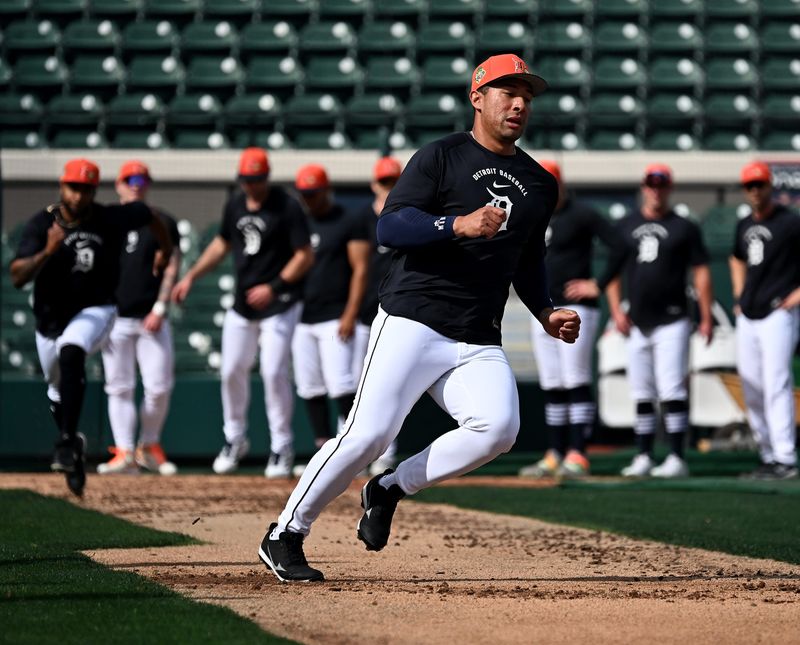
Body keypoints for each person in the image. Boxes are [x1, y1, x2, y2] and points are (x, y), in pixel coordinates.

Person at [257, 53, 580, 582]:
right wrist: (456, 225)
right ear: (478, 98)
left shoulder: (539, 183)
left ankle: (389, 487)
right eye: (507, 92)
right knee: (368, 434)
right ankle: (285, 533)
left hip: (478, 332)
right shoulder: (441, 156)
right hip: (414, 316)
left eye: (526, 95)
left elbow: (527, 260)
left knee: (498, 428)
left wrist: (545, 310)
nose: (519, 103)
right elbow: (390, 227)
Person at [9, 158, 173, 496]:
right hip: (49, 319)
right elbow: (17, 276)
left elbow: (149, 216)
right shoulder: (42, 223)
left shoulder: (108, 217)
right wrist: (48, 250)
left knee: (72, 351)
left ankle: (66, 443)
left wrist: (165, 250)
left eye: (86, 189)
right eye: (73, 187)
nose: (78, 195)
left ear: (94, 191)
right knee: (56, 389)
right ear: (62, 186)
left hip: (97, 309)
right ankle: (74, 447)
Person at [172, 148, 313, 477]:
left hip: (280, 302)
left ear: (267, 177)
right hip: (243, 303)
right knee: (232, 369)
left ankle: (281, 445)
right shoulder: (235, 204)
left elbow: (304, 255)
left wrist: (274, 287)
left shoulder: (286, 205)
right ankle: (234, 438)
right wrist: (191, 276)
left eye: (257, 179)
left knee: (273, 372)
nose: (252, 185)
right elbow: (222, 244)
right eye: (247, 179)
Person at [566, 164, 714, 479]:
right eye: (651, 184)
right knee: (642, 391)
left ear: (669, 188)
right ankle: (644, 455)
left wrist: (705, 316)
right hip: (636, 320)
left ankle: (676, 457)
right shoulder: (626, 225)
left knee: (672, 388)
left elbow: (701, 271)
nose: (656, 190)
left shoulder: (684, 227)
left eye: (661, 185)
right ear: (644, 187)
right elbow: (615, 269)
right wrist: (616, 311)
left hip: (673, 318)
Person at [518, 160, 615, 479]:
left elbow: (621, 244)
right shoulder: (535, 215)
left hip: (576, 307)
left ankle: (578, 453)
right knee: (553, 382)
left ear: (561, 184)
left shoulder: (581, 213)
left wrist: (597, 284)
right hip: (544, 309)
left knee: (575, 378)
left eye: (552, 182)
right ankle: (556, 453)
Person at [98, 160, 181, 475]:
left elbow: (172, 263)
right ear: (118, 185)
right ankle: (124, 451)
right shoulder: (106, 221)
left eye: (142, 180)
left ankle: (149, 445)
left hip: (150, 317)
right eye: (130, 179)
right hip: (115, 316)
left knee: (158, 387)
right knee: (119, 387)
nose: (136, 185)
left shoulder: (161, 220)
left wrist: (160, 306)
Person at [291, 164, 370, 467]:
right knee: (309, 386)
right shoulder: (299, 221)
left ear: (326, 190)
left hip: (335, 314)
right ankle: (322, 452)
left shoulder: (347, 220)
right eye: (304, 193)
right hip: (302, 315)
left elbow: (360, 269)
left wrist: (350, 312)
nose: (308, 198)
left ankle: (354, 451)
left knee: (341, 384)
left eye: (313, 193)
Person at [731, 161, 800, 480]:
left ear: (770, 185)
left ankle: (785, 456)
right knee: (751, 387)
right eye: (750, 186)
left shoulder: (789, 222)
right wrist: (738, 295)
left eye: (759, 184)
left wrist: (796, 296)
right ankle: (768, 454)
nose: (755, 191)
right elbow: (736, 258)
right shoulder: (744, 224)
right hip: (749, 314)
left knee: (776, 383)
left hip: (778, 312)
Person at [350, 156, 404, 477]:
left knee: (390, 385)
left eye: (394, 182)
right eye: (385, 182)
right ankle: (357, 451)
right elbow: (356, 269)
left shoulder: (411, 215)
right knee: (358, 386)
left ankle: (386, 452)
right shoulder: (361, 219)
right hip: (367, 310)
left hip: (398, 310)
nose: (389, 187)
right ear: (374, 184)